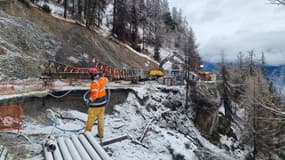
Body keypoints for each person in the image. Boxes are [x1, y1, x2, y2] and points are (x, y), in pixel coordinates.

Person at [85, 67, 109, 138]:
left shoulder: (94, 83)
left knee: (90, 120)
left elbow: (94, 95)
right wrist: (101, 76)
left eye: (90, 74)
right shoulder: (102, 80)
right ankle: (101, 134)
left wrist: (90, 100)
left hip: (95, 106)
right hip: (102, 105)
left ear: (92, 75)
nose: (89, 76)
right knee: (101, 120)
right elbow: (106, 79)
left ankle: (86, 135)